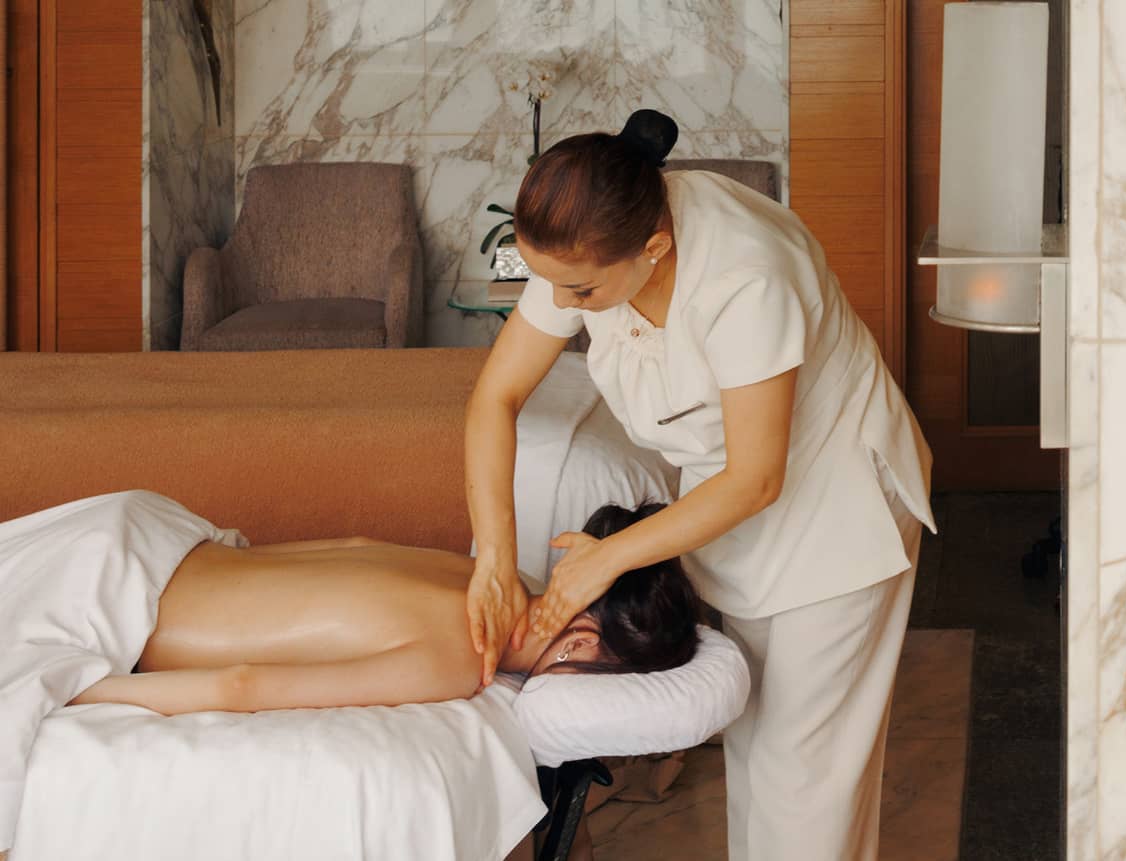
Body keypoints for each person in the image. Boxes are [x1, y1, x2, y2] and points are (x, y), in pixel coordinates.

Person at [463, 108, 936, 860]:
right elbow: (495, 398)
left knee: (805, 786)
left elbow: (757, 476)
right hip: (736, 511)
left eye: (579, 293)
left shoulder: (744, 275)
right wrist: (493, 554)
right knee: (758, 757)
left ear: (653, 249)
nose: (562, 304)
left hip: (837, 510)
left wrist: (608, 557)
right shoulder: (586, 243)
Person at [71, 503, 700, 716]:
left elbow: (353, 546)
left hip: (145, 533)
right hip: (110, 605)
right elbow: (243, 685)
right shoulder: (460, 658)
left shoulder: (489, 574)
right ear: (582, 645)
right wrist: (78, 694)